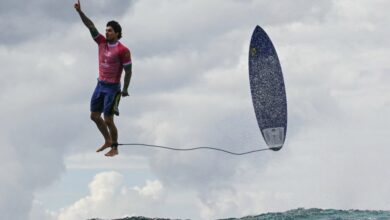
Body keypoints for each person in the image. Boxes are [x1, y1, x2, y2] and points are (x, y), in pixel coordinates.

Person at [74, 0, 132, 157]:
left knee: (108, 119)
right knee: (94, 116)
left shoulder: (123, 50)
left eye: (110, 31)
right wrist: (80, 12)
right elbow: (91, 26)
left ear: (118, 33)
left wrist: (125, 89)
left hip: (113, 89)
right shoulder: (101, 42)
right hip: (100, 85)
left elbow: (128, 71)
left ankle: (115, 147)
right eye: (106, 30)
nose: (107, 33)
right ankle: (107, 140)